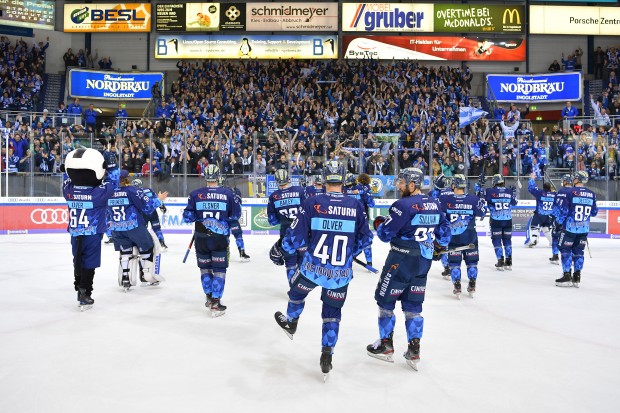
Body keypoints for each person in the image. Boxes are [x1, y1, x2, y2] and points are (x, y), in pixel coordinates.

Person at [273, 161, 373, 379]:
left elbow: (295, 238)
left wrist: (282, 249)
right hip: (340, 274)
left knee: (296, 293)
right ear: (343, 178)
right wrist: (347, 254)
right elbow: (366, 239)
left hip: (312, 268)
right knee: (332, 314)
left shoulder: (312, 202)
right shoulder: (355, 205)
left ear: (325, 178)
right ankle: (327, 354)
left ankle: (291, 322)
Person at [366, 167, 450, 370]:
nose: (398, 185)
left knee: (385, 301)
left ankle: (386, 345)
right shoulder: (434, 204)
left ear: (412, 185)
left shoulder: (402, 205)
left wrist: (379, 224)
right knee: (413, 306)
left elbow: (385, 235)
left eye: (402, 183)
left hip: (400, 260)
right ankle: (414, 349)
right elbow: (445, 235)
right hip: (423, 260)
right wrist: (438, 246)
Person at [182, 165, 241, 317]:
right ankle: (216, 302)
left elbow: (187, 218)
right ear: (218, 176)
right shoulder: (228, 193)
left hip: (201, 238)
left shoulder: (195, 194)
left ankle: (209, 298)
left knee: (205, 268)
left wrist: (200, 217)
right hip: (220, 238)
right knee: (219, 270)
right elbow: (235, 216)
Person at [62, 148, 116, 310]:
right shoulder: (98, 194)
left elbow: (67, 177)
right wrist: (111, 166)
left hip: (75, 232)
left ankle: (78, 285)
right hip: (92, 232)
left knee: (77, 259)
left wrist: (67, 164)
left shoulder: (68, 191)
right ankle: (85, 292)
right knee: (89, 261)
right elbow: (113, 183)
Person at [108, 170, 168, 291]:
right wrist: (159, 199)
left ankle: (126, 277)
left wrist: (109, 231)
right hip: (134, 227)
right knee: (147, 246)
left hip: (116, 229)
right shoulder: (132, 190)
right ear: (127, 179)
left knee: (125, 251)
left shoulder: (108, 193)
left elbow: (105, 214)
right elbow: (147, 207)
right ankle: (146, 274)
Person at [440, 174, 486, 298]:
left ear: (454, 185)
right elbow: (482, 213)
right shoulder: (473, 199)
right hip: (470, 236)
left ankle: (457, 285)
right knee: (472, 263)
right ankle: (472, 284)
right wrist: (480, 197)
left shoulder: (446, 199)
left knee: (454, 263)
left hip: (453, 237)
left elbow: (440, 217)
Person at [554, 171, 598, 287]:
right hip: (584, 229)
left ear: (577, 179)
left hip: (570, 228)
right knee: (579, 252)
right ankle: (577, 276)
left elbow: (564, 211)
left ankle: (567, 275)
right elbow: (594, 212)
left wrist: (558, 223)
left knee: (565, 250)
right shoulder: (592, 194)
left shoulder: (570, 192)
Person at [267, 169, 306, 283]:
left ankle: (293, 288)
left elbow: (272, 221)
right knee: (302, 261)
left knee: (290, 262)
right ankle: (301, 289)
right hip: (302, 233)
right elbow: (308, 213)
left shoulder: (274, 196)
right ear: (288, 179)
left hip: (286, 234)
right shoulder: (300, 191)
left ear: (276, 181)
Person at [482, 174, 518, 270]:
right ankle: (509, 261)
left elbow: (481, 196)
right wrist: (514, 192)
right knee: (507, 240)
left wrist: (480, 185)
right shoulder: (509, 191)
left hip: (496, 220)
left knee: (496, 240)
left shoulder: (490, 191)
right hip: (508, 220)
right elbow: (515, 202)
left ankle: (500, 261)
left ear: (494, 182)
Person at [342, 173, 375, 267]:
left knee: (352, 239)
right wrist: (366, 191)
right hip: (361, 220)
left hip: (347, 219)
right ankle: (368, 261)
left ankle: (350, 255)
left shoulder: (342, 190)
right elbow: (371, 204)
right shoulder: (362, 189)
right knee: (365, 239)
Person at [131, 179, 169, 250]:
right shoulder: (149, 190)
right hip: (153, 212)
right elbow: (156, 199)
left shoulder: (134, 193)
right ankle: (161, 242)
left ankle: (143, 244)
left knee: (143, 229)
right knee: (157, 228)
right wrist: (162, 206)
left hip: (143, 213)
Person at [430, 174, 454, 277]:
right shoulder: (454, 193)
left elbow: (431, 203)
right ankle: (453, 266)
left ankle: (447, 267)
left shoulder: (435, 193)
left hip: (441, 225)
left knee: (443, 247)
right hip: (454, 225)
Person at [525, 173, 556, 248]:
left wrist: (532, 179)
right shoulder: (555, 195)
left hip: (539, 215)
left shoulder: (540, 193)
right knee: (547, 228)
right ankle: (553, 241)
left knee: (533, 226)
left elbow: (531, 188)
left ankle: (533, 239)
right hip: (549, 216)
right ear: (550, 188)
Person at [222, 181, 250, 261]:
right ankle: (242, 252)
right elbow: (239, 204)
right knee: (238, 236)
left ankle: (225, 253)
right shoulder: (233, 193)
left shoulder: (220, 194)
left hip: (224, 219)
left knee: (225, 236)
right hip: (232, 219)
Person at [550, 174, 573, 264]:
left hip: (560, 219)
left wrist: (554, 218)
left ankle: (555, 255)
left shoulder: (560, 191)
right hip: (571, 221)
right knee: (570, 240)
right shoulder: (575, 191)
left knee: (555, 237)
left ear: (565, 181)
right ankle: (571, 257)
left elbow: (557, 206)